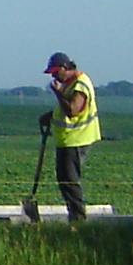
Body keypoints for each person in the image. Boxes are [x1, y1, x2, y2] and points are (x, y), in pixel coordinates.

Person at [41, 52, 99, 223]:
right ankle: (74, 215)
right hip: (67, 140)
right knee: (64, 180)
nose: (53, 75)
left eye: (55, 71)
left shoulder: (80, 83)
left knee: (70, 181)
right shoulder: (69, 83)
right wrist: (51, 115)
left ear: (65, 68)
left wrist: (57, 93)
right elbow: (65, 108)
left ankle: (78, 218)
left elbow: (73, 110)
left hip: (76, 139)